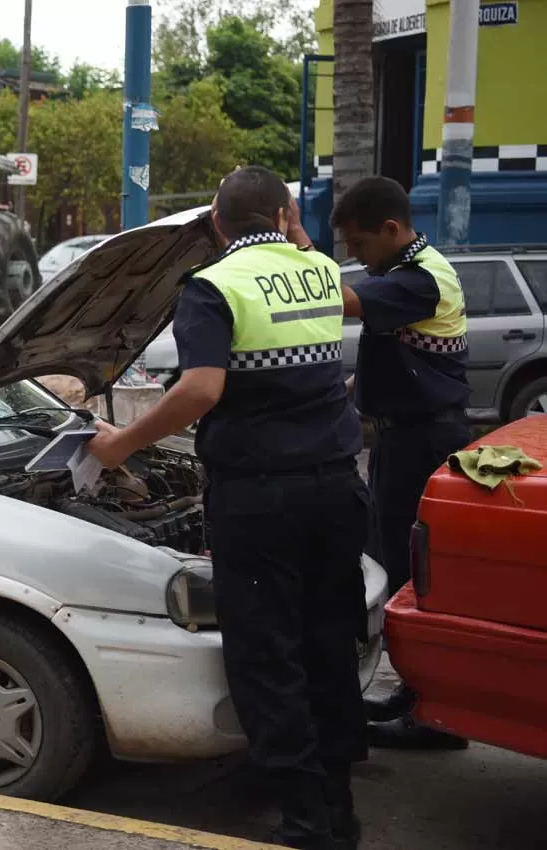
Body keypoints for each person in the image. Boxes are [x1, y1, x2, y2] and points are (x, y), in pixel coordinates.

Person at [87, 166, 369, 850]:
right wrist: (298, 234)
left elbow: (202, 389)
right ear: (281, 216)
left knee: (268, 655)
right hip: (338, 486)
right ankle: (340, 807)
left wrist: (118, 443)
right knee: (329, 642)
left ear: (216, 225)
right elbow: (343, 296)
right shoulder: (318, 273)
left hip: (263, 498)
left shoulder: (212, 287)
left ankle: (305, 823)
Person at [331, 176, 472, 751]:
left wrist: (291, 252)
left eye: (360, 246)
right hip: (403, 438)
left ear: (391, 229)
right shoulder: (404, 271)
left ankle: (434, 715)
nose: (357, 259)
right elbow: (392, 352)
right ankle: (417, 692)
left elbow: (347, 300)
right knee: (396, 566)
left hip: (423, 442)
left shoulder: (421, 278)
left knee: (416, 578)